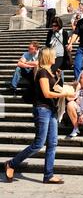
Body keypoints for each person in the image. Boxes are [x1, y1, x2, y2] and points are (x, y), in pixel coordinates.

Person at [4, 48, 73, 183]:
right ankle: (11, 163)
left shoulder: (49, 72)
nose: (55, 57)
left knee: (52, 143)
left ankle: (48, 175)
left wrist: (62, 84)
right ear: (48, 57)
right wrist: (64, 94)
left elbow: (53, 90)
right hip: (42, 110)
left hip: (51, 109)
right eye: (53, 55)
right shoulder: (42, 72)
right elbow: (47, 93)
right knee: (38, 143)